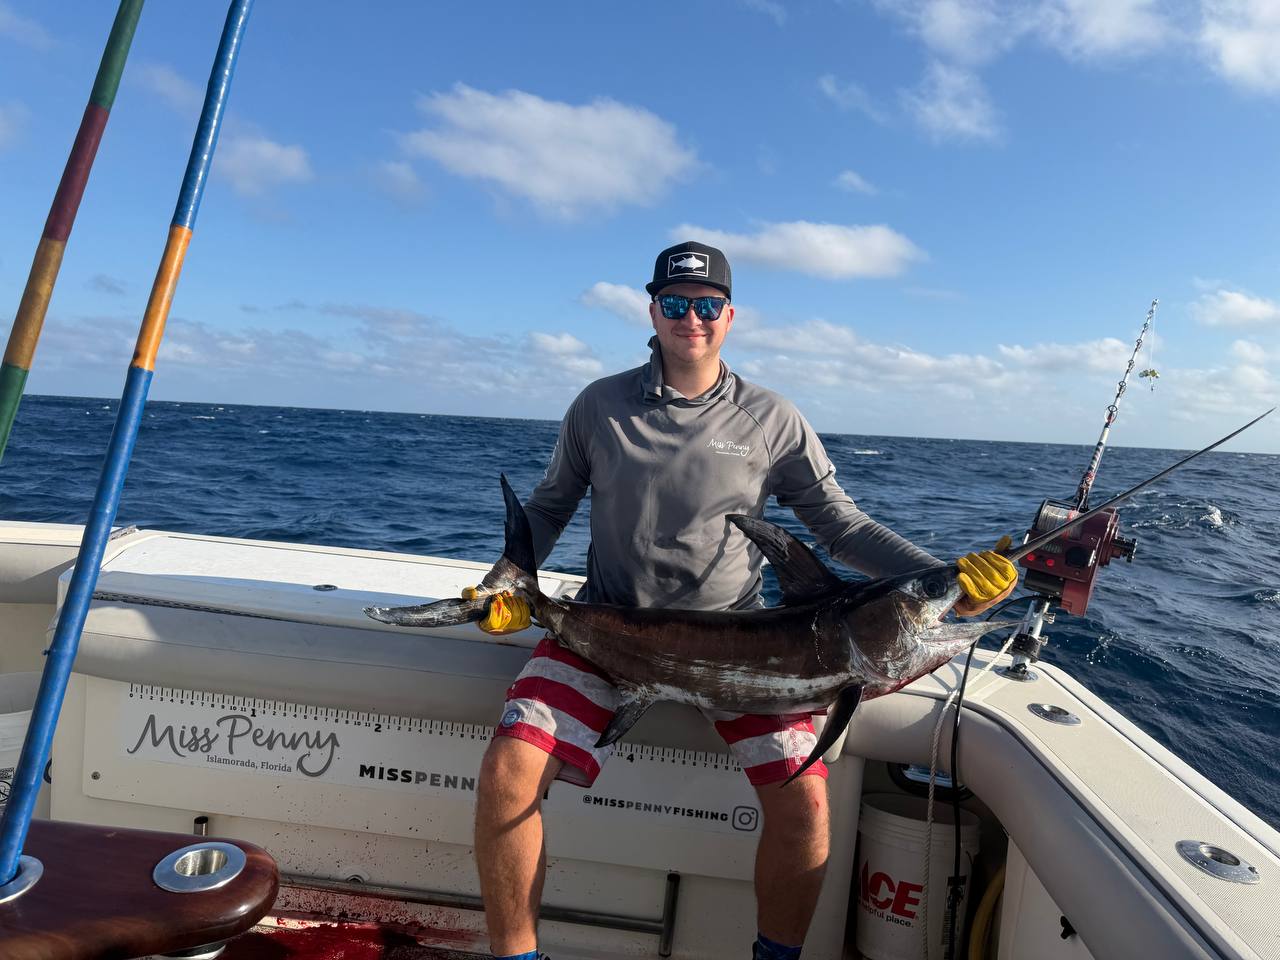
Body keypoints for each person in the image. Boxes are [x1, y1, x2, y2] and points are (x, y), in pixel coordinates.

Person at [470, 240, 1018, 960]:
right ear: (653, 311)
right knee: (509, 768)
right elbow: (548, 508)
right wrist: (505, 579)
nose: (690, 319)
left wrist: (946, 578)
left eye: (705, 306)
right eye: (675, 304)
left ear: (729, 316)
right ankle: (517, 956)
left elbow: (839, 523)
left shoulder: (770, 417)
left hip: (746, 646)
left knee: (806, 803)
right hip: (605, 633)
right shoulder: (598, 406)